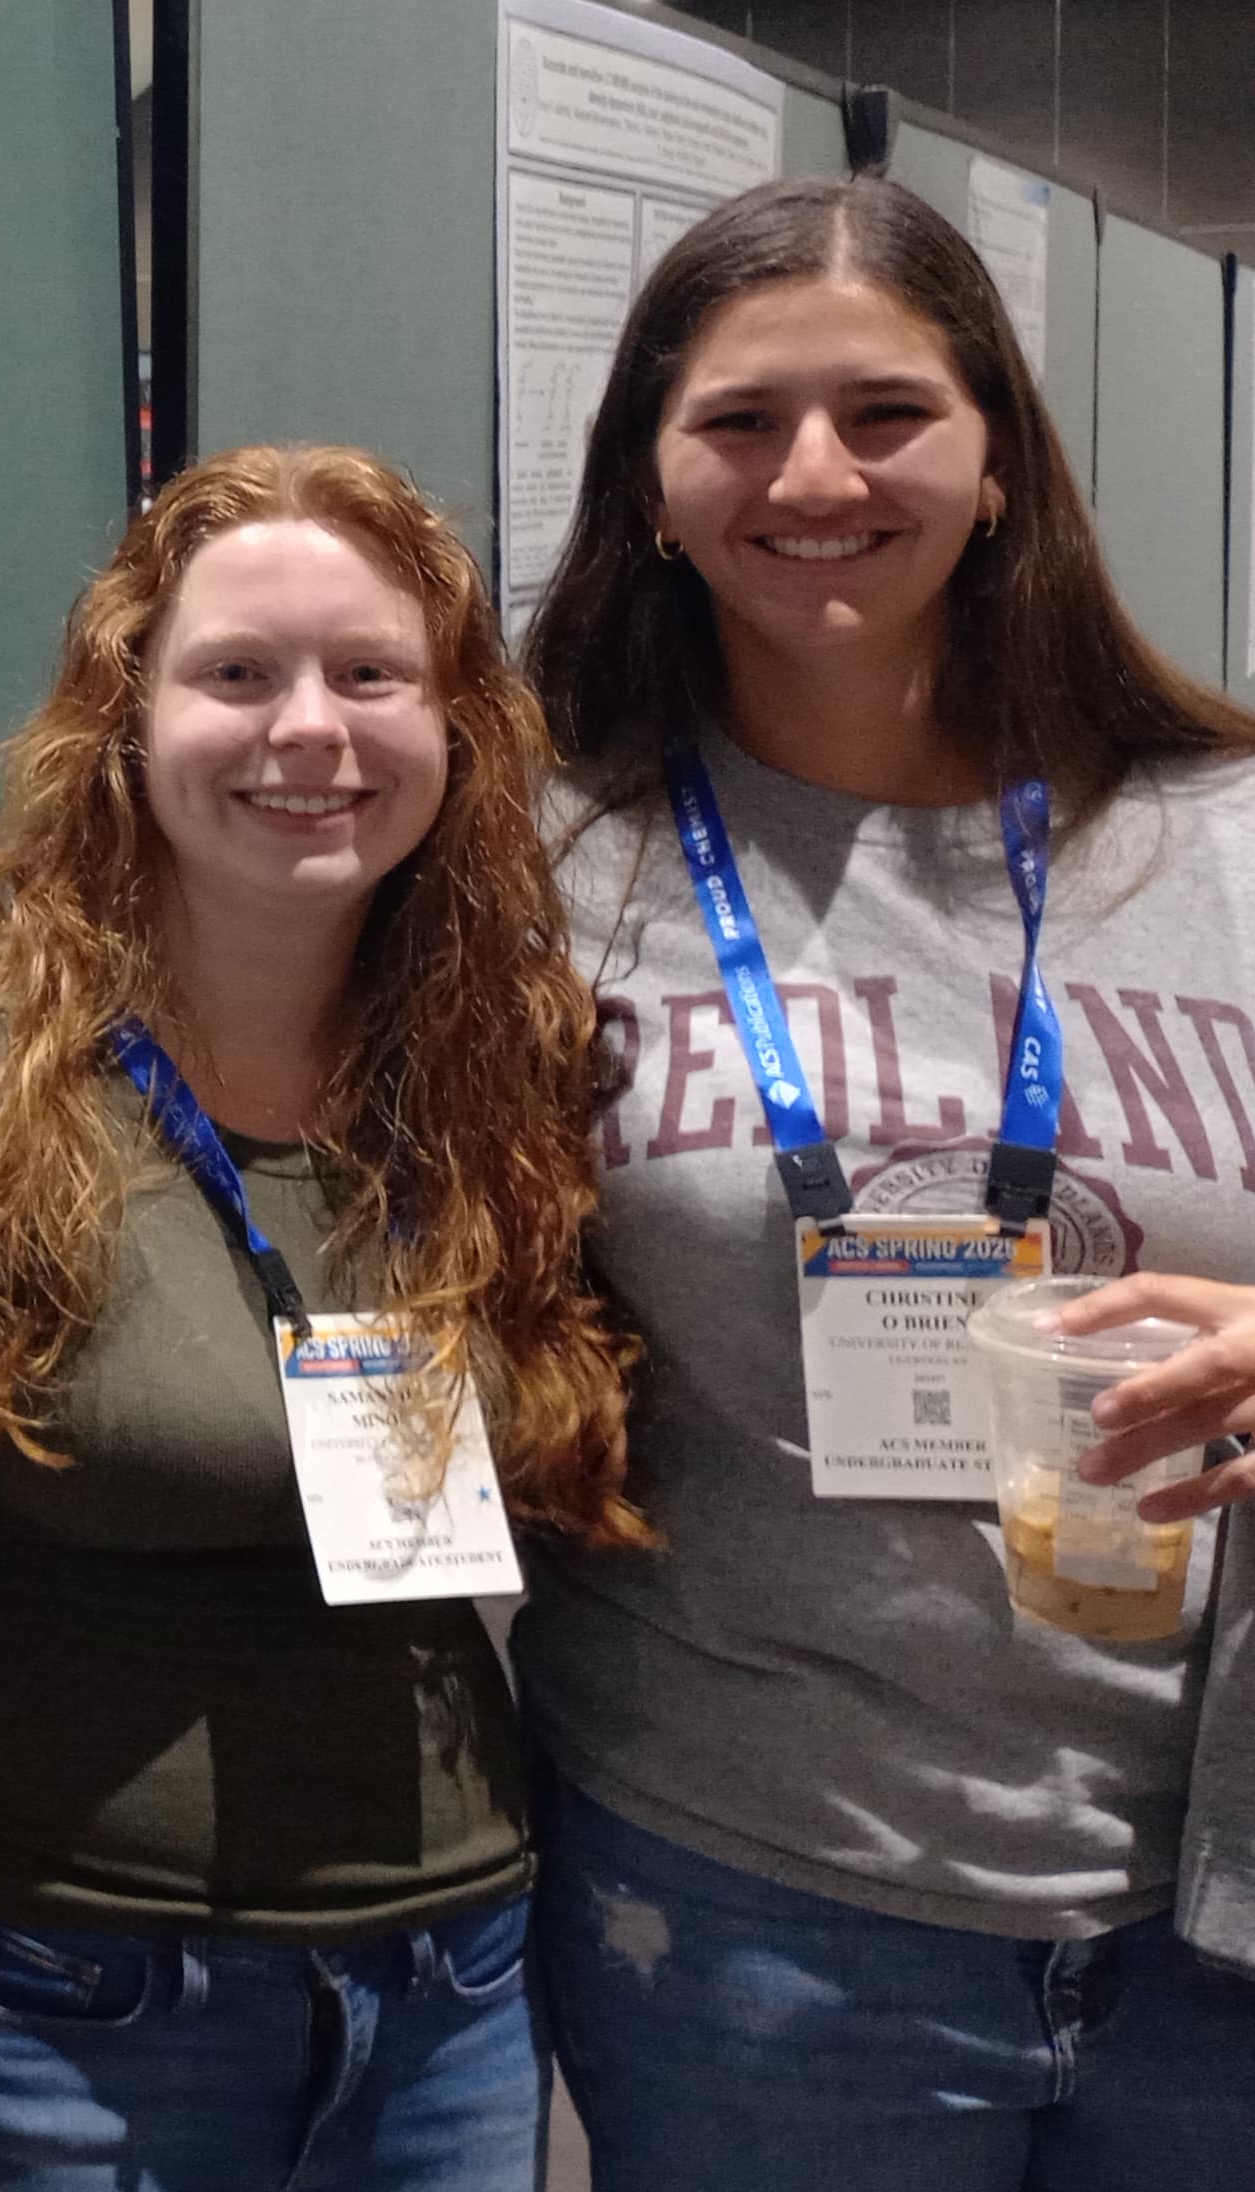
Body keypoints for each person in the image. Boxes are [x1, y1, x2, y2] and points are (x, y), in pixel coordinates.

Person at [0, 442, 646, 2192]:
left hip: (451, 2007)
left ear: (454, 728)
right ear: (126, 724)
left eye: (371, 675)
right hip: (66, 2024)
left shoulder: (493, 1082)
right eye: (237, 674)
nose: (308, 730)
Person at [519, 171, 1255, 2183]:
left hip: (1215, 1891)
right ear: (649, 481)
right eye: (741, 421)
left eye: (887, 413)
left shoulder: (1223, 837)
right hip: (756, 1893)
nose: (814, 474)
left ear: (1001, 461)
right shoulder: (544, 860)